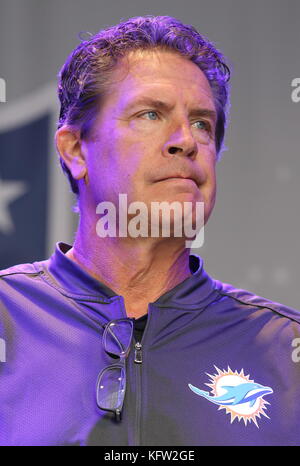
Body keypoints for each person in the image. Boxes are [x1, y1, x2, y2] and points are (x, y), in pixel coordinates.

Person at [0, 15, 299, 447]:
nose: (186, 140)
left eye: (202, 123)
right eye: (150, 113)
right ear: (75, 150)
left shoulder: (286, 352)